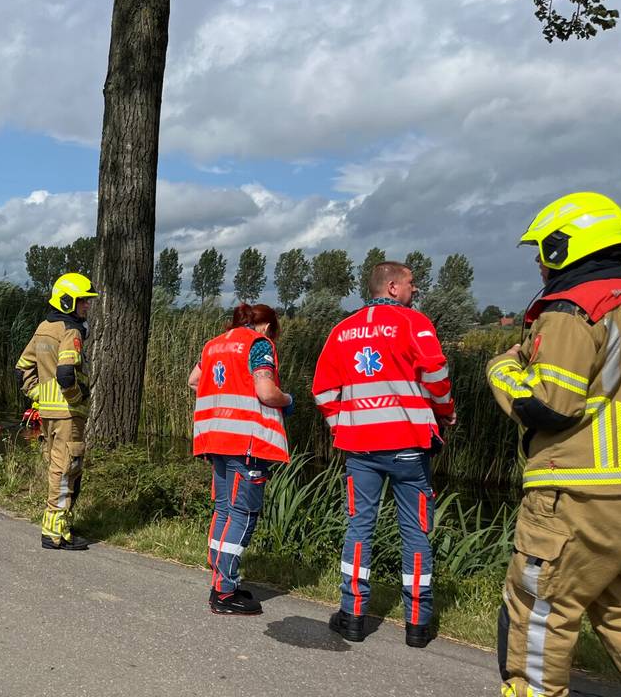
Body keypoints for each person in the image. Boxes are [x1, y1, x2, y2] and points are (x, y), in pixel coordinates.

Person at [486, 192, 621, 697]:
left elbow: (549, 405)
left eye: (542, 251)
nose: (539, 263)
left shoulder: (574, 308)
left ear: (565, 246)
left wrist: (502, 368)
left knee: (538, 612)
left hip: (577, 489)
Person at [312, 261, 455, 648]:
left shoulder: (341, 330)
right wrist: (445, 411)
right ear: (392, 287)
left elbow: (323, 390)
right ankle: (417, 624)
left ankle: (353, 616)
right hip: (408, 444)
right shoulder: (414, 323)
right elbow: (436, 372)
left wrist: (341, 426)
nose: (414, 289)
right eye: (411, 283)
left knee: (359, 529)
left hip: (360, 447)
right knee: (415, 532)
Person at [187, 303, 293, 615]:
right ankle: (224, 592)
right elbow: (266, 391)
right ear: (268, 327)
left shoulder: (213, 345)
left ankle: (221, 579)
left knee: (223, 510)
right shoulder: (259, 345)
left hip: (215, 437)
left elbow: (194, 381)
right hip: (245, 442)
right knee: (243, 514)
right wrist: (288, 400)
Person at [14, 273, 97, 550]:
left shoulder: (43, 328)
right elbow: (65, 374)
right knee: (66, 469)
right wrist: (76, 397)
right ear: (67, 301)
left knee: (57, 467)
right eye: (82, 301)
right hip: (67, 414)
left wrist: (38, 395)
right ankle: (56, 532)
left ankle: (57, 526)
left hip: (49, 412)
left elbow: (22, 369)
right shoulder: (70, 331)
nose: (86, 305)